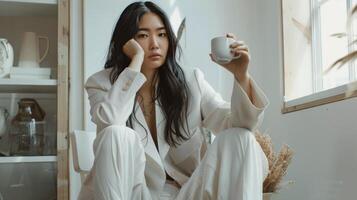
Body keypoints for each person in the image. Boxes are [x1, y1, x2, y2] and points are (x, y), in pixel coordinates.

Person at [79, 1, 269, 200]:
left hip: (186, 193)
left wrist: (240, 76)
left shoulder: (191, 80)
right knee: (116, 132)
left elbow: (241, 124)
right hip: (134, 192)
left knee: (240, 137)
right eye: (143, 35)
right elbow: (110, 122)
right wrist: (135, 63)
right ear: (127, 43)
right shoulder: (101, 83)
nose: (155, 44)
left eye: (161, 34)